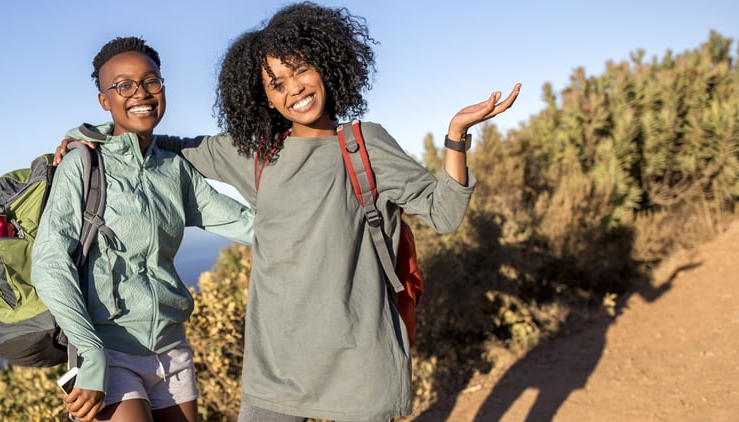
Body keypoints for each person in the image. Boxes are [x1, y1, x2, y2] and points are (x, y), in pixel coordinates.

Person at [57, 3, 520, 420]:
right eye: (275, 84)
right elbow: (154, 141)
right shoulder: (255, 153)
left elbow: (444, 213)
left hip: (359, 354)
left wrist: (456, 135)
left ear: (326, 66)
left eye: (300, 71)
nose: (293, 90)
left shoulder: (364, 145)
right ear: (263, 97)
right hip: (275, 365)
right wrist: (89, 139)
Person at [32, 36, 254, 422]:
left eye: (151, 81)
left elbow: (249, 225)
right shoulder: (82, 165)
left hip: (173, 351)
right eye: (124, 85)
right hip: (107, 352)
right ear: (105, 100)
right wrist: (91, 352)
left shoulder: (174, 170)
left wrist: (337, 219)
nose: (141, 93)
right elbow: (50, 263)